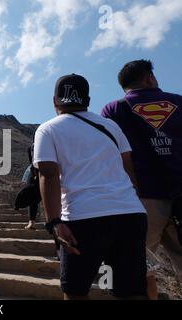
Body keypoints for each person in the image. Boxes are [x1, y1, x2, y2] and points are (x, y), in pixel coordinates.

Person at [34, 74, 148, 300]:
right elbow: (128, 170)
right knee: (131, 291)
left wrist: (54, 222)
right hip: (130, 215)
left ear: (55, 100)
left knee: (76, 291)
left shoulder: (47, 129)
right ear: (88, 99)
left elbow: (48, 174)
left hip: (83, 218)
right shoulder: (110, 126)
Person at [101, 60, 182, 298]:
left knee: (139, 267)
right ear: (149, 78)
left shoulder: (114, 109)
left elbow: (111, 153)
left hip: (141, 200)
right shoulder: (178, 102)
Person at [20, 145, 41, 229]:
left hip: (48, 169)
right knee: (32, 197)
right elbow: (32, 161)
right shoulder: (32, 147)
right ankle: (31, 222)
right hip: (34, 171)